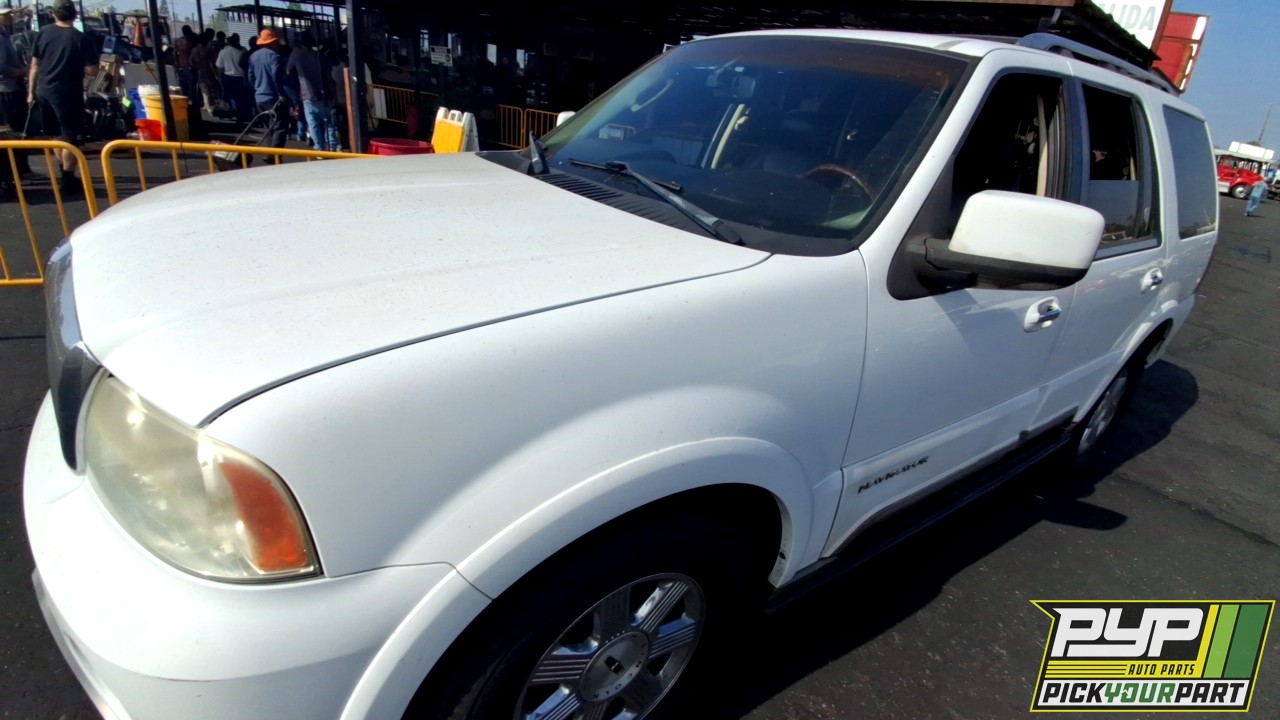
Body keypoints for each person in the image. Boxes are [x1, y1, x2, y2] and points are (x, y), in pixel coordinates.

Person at [27, 0, 98, 192]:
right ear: (74, 15)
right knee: (70, 136)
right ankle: (68, 177)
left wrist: (30, 92)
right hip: (67, 92)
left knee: (55, 134)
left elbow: (34, 66)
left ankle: (64, 171)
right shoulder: (80, 38)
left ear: (54, 14)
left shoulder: (43, 33)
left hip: (44, 90)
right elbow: (92, 70)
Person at [286, 30, 337, 151]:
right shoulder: (320, 56)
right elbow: (329, 76)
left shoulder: (296, 54)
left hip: (307, 94)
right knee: (329, 123)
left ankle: (319, 149)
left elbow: (288, 72)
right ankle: (332, 147)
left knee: (313, 124)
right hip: (325, 94)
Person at [247, 28, 287, 147]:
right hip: (272, 96)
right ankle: (275, 153)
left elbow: (250, 76)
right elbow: (276, 75)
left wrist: (257, 87)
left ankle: (269, 151)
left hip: (259, 97)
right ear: (272, 42)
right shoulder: (274, 56)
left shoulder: (253, 56)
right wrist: (281, 93)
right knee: (280, 125)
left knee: (268, 127)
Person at [216, 33, 249, 120]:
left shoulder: (223, 52)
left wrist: (220, 77)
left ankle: (230, 113)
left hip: (228, 77)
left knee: (229, 97)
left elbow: (219, 66)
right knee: (240, 97)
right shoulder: (241, 52)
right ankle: (240, 114)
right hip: (239, 78)